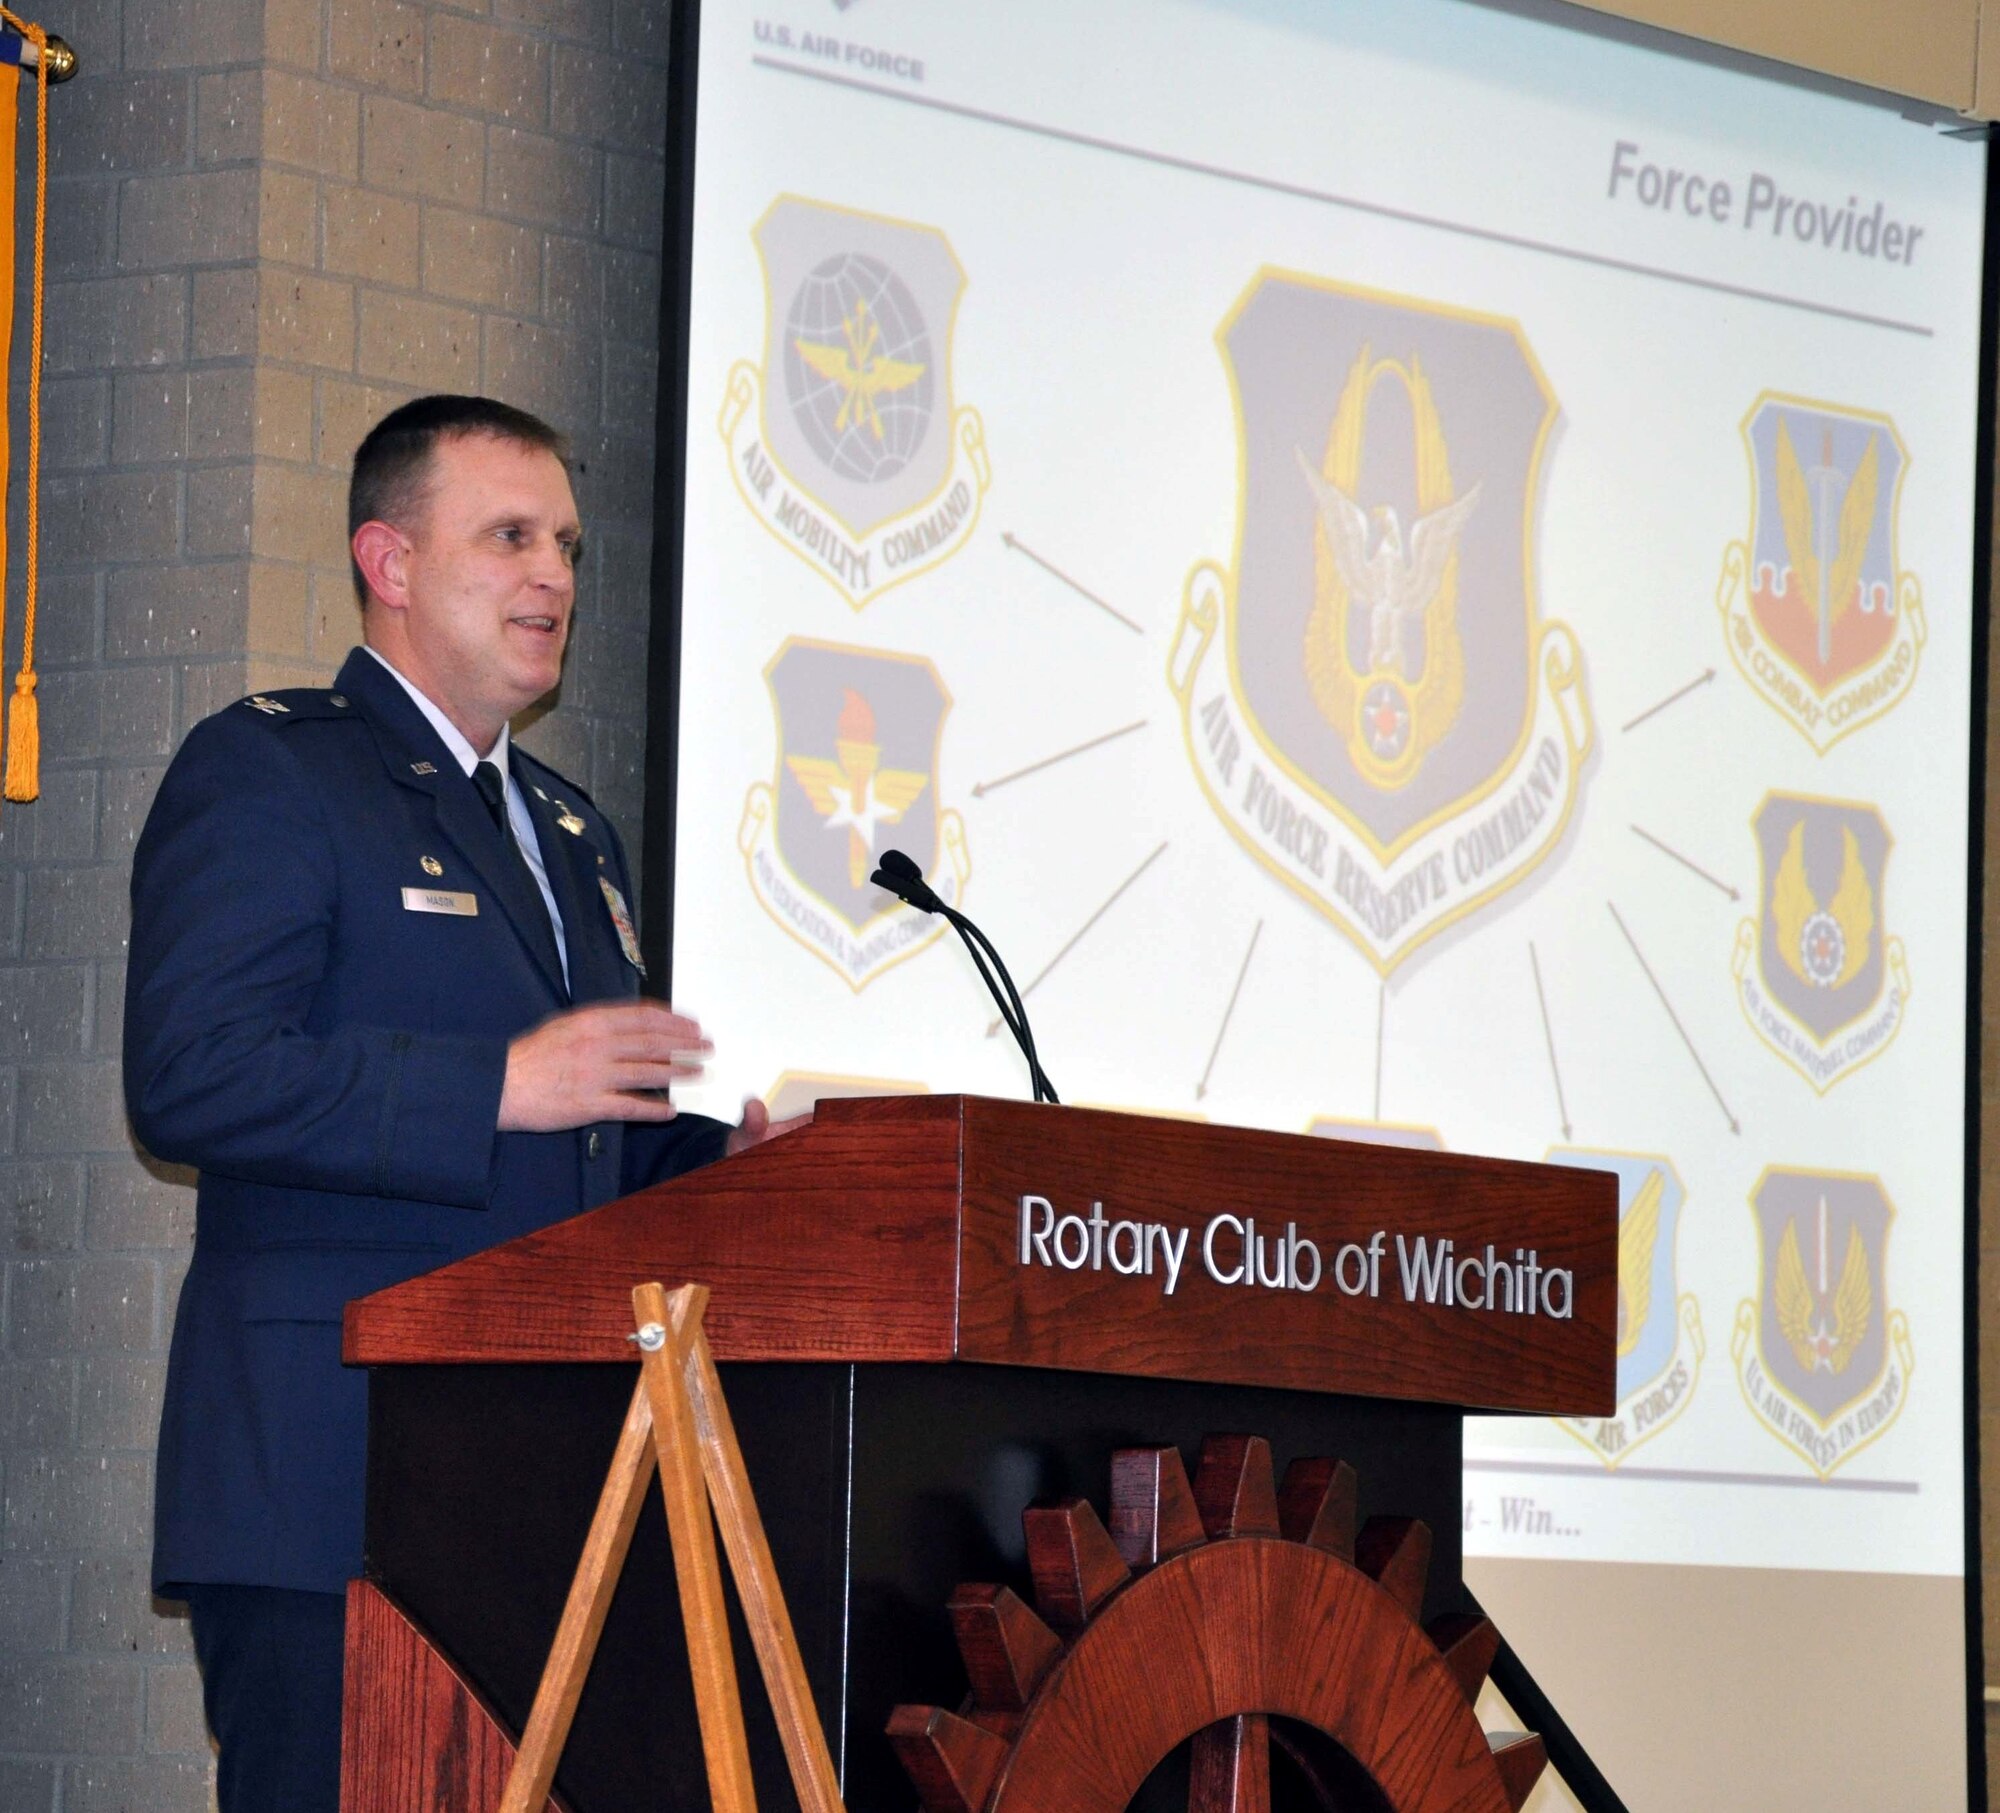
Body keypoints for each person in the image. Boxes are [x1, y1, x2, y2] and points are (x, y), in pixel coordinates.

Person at [124, 395, 796, 1810]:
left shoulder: (566, 827)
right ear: (389, 559)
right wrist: (500, 1082)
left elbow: (587, 1144)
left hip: (543, 1495)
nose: (554, 573)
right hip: (332, 1488)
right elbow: (192, 1071)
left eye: (563, 541)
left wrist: (736, 1167)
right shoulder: (271, 771)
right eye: (508, 536)